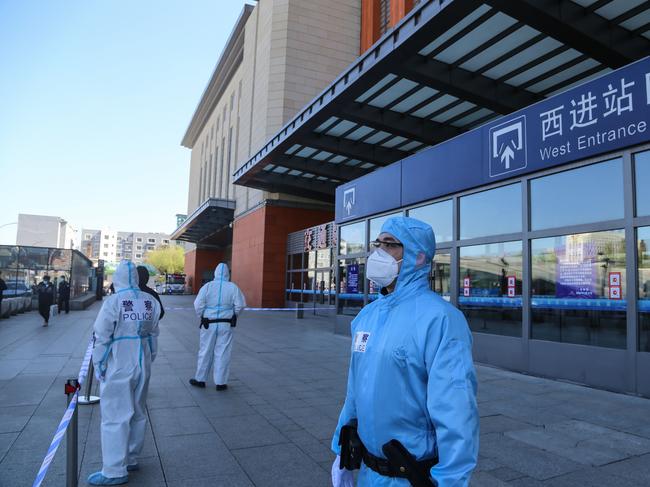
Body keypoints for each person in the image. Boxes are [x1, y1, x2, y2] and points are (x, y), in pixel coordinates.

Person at [331, 217, 478, 487]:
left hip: (410, 477)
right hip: (367, 472)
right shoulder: (367, 316)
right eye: (378, 243)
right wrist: (341, 450)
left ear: (418, 257)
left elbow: (456, 412)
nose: (379, 252)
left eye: (390, 245)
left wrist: (451, 481)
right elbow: (355, 390)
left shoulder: (441, 320)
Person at [88, 260, 161, 485]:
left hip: (120, 360)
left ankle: (113, 470)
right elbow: (154, 333)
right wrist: (149, 357)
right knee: (138, 410)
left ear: (117, 278)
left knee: (115, 414)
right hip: (143, 359)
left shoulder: (114, 301)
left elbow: (102, 335)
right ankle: (131, 457)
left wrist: (99, 363)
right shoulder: (150, 300)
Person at [189, 263, 245, 391]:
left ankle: (200, 379)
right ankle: (221, 382)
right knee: (223, 352)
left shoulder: (207, 287)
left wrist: (202, 315)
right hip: (226, 323)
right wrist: (234, 315)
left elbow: (198, 304)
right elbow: (240, 305)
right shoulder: (233, 287)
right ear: (227, 274)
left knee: (205, 351)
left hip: (209, 323)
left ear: (215, 273)